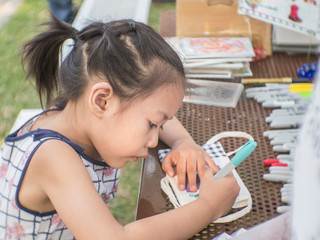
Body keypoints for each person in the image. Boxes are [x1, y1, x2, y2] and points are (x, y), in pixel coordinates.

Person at [0, 13, 239, 240]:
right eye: (152, 125)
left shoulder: (77, 112)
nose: (154, 140)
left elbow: (154, 109)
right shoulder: (53, 157)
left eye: (159, 125)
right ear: (102, 100)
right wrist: (209, 206)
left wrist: (183, 142)